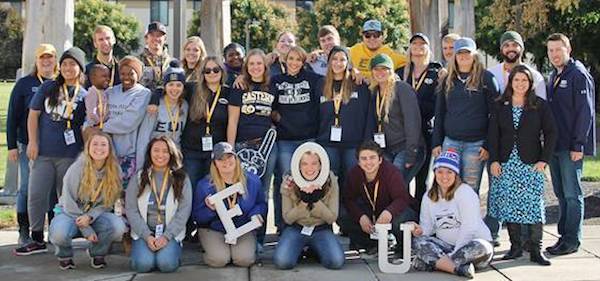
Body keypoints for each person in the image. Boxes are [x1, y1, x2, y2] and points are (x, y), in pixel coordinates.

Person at [14, 47, 88, 255]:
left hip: (69, 156)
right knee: (36, 194)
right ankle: (36, 237)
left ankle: (60, 235)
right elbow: (33, 115)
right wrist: (33, 142)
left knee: (65, 198)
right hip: (43, 153)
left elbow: (84, 127)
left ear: (80, 68)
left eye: (72, 64)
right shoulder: (48, 87)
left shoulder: (84, 94)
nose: (67, 68)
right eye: (64, 64)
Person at [487, 65, 557, 265]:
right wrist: (494, 160)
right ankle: (515, 247)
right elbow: (493, 135)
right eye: (516, 80)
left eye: (524, 81)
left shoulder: (539, 105)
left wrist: (544, 160)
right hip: (507, 163)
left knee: (535, 206)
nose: (520, 84)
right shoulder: (500, 105)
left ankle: (536, 250)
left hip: (531, 163)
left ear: (530, 83)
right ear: (511, 82)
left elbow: (551, 132)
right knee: (510, 206)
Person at [485, 30, 547, 247]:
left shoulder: (537, 89)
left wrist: (543, 157)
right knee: (506, 199)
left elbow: (547, 127)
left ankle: (533, 245)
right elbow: (493, 129)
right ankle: (508, 242)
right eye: (507, 45)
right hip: (504, 155)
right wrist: (493, 157)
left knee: (531, 201)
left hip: (530, 156)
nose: (511, 49)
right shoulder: (495, 86)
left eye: (515, 45)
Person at [545, 33, 596, 256]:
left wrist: (578, 145)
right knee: (561, 193)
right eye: (551, 50)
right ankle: (563, 237)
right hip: (554, 146)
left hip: (570, 147)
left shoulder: (578, 74)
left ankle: (572, 240)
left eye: (559, 49)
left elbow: (585, 113)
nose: (555, 54)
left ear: (568, 49)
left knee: (572, 194)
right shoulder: (553, 75)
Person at [410, 149, 494, 279]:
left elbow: (469, 228)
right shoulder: (428, 196)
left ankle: (438, 264)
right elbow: (427, 228)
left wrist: (451, 256)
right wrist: (419, 231)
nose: (444, 176)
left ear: (456, 174)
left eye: (449, 172)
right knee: (418, 242)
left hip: (471, 246)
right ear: (435, 173)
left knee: (482, 247)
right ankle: (459, 269)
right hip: (446, 247)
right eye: (440, 172)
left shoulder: (465, 193)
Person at [48, 132, 126, 270]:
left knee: (118, 226)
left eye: (103, 144)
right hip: (69, 213)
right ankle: (65, 255)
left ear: (109, 149)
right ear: (88, 147)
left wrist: (90, 217)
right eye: (95, 144)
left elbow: (108, 203)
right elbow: (68, 200)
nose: (99, 148)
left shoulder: (115, 171)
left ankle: (97, 253)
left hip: (95, 215)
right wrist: (86, 229)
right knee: (60, 233)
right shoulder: (77, 168)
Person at [432, 37, 500, 193]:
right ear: (454, 56)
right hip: (450, 143)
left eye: (467, 53)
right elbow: (440, 112)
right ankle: (450, 218)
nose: (463, 57)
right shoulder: (447, 79)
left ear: (474, 55)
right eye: (459, 53)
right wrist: (436, 142)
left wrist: (488, 144)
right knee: (447, 186)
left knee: (470, 188)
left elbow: (495, 115)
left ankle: (470, 218)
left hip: (476, 145)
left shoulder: (487, 79)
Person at [7, 43, 58, 246]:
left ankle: (53, 230)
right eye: (42, 58)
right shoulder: (25, 84)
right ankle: (24, 229)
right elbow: (12, 115)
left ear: (55, 60)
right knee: (28, 187)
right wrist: (12, 146)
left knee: (52, 189)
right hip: (28, 145)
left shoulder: (60, 83)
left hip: (53, 147)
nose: (46, 61)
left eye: (50, 57)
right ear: (36, 61)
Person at [271, 46, 323, 229]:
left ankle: (312, 223)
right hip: (285, 140)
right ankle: (283, 224)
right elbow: (269, 103)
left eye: (298, 59)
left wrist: (354, 71)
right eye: (291, 58)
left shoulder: (313, 79)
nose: (294, 63)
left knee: (311, 181)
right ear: (285, 60)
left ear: (303, 62)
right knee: (286, 181)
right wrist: (277, 117)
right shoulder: (275, 81)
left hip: (309, 138)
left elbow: (336, 75)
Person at [193, 142, 267, 267]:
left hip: (242, 228)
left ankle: (239, 249)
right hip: (215, 229)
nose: (226, 162)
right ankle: (212, 248)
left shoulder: (252, 180)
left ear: (236, 158)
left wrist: (256, 214)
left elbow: (261, 204)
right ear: (214, 163)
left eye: (229, 157)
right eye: (220, 159)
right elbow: (197, 217)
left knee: (244, 260)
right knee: (219, 260)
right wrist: (210, 210)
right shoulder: (205, 185)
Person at [126, 136, 192, 273]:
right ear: (149, 153)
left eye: (165, 151)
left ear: (171, 154)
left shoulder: (181, 178)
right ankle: (145, 253)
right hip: (144, 231)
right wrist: (147, 236)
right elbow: (131, 210)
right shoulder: (139, 177)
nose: (160, 155)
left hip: (170, 232)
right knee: (142, 265)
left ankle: (170, 252)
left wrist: (166, 236)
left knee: (166, 265)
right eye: (156, 150)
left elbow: (183, 212)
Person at [339, 140, 417, 255]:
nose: (368, 162)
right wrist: (361, 217)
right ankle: (371, 243)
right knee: (342, 213)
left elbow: (402, 198)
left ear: (380, 159)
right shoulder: (354, 173)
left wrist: (389, 213)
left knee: (400, 220)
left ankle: (402, 247)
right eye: (364, 158)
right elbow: (348, 199)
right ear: (359, 162)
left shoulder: (391, 172)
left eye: (372, 157)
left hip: (395, 212)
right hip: (372, 213)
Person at [396, 33, 445, 209]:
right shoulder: (401, 72)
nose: (417, 48)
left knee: (423, 179)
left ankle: (421, 217)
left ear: (428, 48)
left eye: (422, 44)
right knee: (404, 178)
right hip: (405, 132)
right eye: (414, 44)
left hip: (426, 131)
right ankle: (404, 215)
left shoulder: (437, 72)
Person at [227, 49, 277, 206]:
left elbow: (276, 112)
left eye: (259, 63)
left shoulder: (273, 86)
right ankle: (245, 227)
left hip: (267, 146)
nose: (255, 67)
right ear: (246, 66)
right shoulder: (239, 86)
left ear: (265, 65)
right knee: (243, 188)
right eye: (252, 63)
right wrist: (231, 148)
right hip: (243, 145)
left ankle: (261, 229)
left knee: (264, 188)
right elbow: (232, 121)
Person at [316, 46, 370, 183]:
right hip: (327, 142)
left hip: (353, 143)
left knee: (352, 181)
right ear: (328, 62)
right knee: (331, 182)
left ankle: (349, 205)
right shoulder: (320, 85)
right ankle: (335, 205)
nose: (338, 63)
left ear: (348, 63)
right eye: (334, 59)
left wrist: (366, 142)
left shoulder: (358, 83)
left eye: (342, 59)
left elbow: (367, 114)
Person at [368, 53, 424, 183]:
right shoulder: (374, 92)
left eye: (384, 69)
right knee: (391, 188)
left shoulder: (402, 89)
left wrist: (411, 154)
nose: (380, 72)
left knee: (395, 184)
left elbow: (413, 123)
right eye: (376, 69)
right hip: (387, 150)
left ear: (391, 71)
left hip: (406, 147)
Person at [102, 56, 151, 188]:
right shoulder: (110, 92)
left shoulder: (143, 93)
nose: (126, 77)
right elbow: (101, 113)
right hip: (107, 152)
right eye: (123, 74)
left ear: (138, 74)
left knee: (125, 196)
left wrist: (102, 127)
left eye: (131, 73)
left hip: (130, 155)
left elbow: (128, 122)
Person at [137, 60, 189, 167]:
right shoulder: (155, 105)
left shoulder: (185, 105)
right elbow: (144, 137)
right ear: (165, 86)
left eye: (179, 85)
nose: (174, 89)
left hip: (174, 156)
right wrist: (140, 167)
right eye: (171, 84)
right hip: (155, 155)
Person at [488, 31, 546, 99]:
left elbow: (541, 104)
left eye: (515, 45)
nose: (511, 49)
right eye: (506, 46)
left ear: (522, 49)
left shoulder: (535, 76)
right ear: (501, 50)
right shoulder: (491, 74)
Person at [139, 21, 171, 91]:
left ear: (165, 39)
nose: (156, 38)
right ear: (146, 38)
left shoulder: (171, 63)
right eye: (152, 35)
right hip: (145, 100)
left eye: (159, 35)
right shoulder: (137, 62)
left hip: (166, 100)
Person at [84, 64, 111, 130]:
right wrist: (99, 122)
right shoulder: (92, 92)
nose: (108, 79)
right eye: (104, 76)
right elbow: (91, 112)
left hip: (102, 124)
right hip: (94, 125)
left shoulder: (104, 91)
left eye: (108, 76)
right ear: (93, 78)